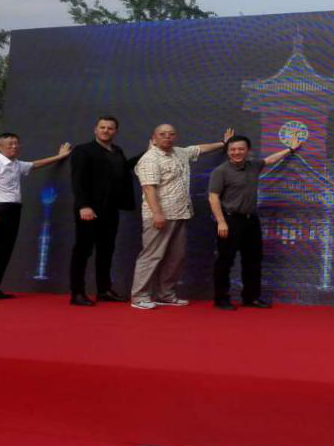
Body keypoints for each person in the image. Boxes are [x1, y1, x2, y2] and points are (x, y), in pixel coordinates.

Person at [129, 123, 233, 311]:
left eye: (171, 134)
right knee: (152, 256)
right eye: (162, 134)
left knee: (175, 257)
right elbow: (149, 188)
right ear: (154, 138)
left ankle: (165, 294)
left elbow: (199, 149)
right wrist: (157, 213)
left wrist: (223, 143)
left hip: (181, 213)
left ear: (175, 136)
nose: (167, 137)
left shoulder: (180, 152)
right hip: (159, 216)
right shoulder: (150, 159)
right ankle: (139, 296)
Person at [207, 133, 301, 311]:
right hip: (229, 221)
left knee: (253, 261)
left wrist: (290, 149)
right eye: (233, 149)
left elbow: (270, 160)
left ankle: (251, 298)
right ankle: (221, 299)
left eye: (241, 149)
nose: (237, 152)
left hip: (251, 220)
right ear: (227, 152)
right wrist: (221, 222)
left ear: (248, 151)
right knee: (225, 261)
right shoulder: (220, 171)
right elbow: (213, 198)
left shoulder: (253, 166)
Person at [0, 134, 72, 301]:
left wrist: (60, 156)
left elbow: (35, 165)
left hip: (13, 209)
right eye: (10, 144)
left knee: (5, 250)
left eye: (16, 144)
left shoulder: (17, 164)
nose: (14, 147)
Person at [68, 116, 146, 306]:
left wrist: (147, 152)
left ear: (115, 131)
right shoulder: (83, 150)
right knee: (83, 251)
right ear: (95, 130)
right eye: (102, 127)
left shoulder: (117, 151)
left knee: (106, 250)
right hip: (89, 209)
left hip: (111, 209)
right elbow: (78, 180)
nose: (106, 131)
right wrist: (84, 206)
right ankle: (77, 293)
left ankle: (104, 290)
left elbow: (125, 169)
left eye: (110, 128)